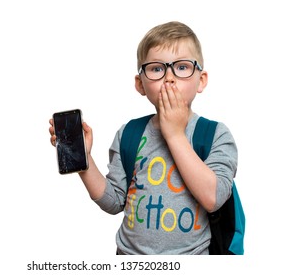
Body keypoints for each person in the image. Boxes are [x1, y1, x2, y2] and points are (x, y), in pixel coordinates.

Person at [48, 21, 237, 255]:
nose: (169, 77)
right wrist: (84, 161)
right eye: (157, 69)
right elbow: (115, 201)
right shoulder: (129, 134)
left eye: (182, 67)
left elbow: (213, 199)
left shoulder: (215, 134)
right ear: (140, 84)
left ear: (202, 80)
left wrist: (175, 134)